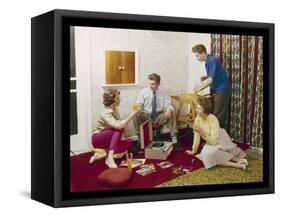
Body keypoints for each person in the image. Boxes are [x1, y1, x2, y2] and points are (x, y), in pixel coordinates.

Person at [186, 97, 248, 170]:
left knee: (208, 155)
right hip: (210, 141)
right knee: (207, 155)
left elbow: (214, 141)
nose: (196, 110)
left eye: (199, 109)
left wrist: (202, 132)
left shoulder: (213, 119)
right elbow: (196, 136)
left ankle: (237, 160)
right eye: (197, 108)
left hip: (220, 140)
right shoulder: (197, 119)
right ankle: (238, 164)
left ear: (205, 110)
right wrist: (194, 150)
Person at [90, 89, 140, 168]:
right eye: (117, 98)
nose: (120, 99)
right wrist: (132, 114)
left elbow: (119, 126)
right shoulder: (104, 112)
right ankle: (109, 158)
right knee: (119, 128)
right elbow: (118, 126)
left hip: (107, 139)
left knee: (129, 143)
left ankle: (102, 154)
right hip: (97, 139)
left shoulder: (115, 109)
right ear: (111, 100)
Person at [134, 73, 182, 151]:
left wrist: (169, 110)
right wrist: (137, 109)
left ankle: (174, 140)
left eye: (153, 84)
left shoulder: (163, 92)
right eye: (149, 83)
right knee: (135, 114)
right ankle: (140, 140)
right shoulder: (143, 92)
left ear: (158, 84)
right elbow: (138, 104)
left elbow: (168, 104)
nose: (150, 86)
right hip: (146, 116)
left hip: (158, 116)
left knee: (172, 111)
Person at [192, 44, 230, 129]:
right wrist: (206, 77)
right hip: (217, 90)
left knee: (217, 117)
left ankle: (218, 139)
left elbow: (210, 80)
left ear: (203, 53)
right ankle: (217, 137)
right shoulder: (208, 61)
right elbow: (213, 75)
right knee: (214, 115)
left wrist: (199, 88)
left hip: (222, 90)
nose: (196, 58)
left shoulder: (212, 60)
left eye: (197, 56)